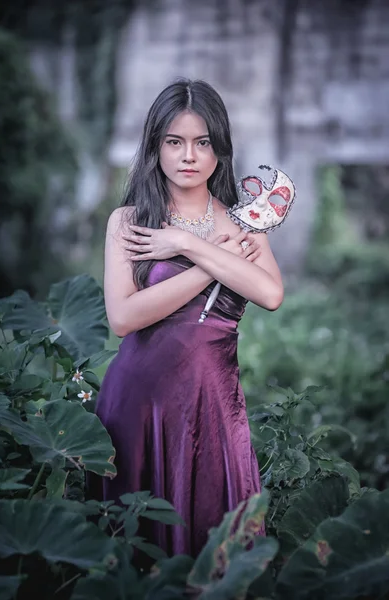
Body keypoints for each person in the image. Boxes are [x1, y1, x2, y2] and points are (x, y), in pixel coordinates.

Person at [87, 79, 284, 564]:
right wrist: (206, 264)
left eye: (202, 142)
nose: (188, 156)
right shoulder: (129, 220)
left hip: (213, 406)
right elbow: (123, 318)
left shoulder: (244, 226)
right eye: (174, 141)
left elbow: (271, 294)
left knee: (215, 551)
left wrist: (188, 244)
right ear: (156, 147)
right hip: (138, 404)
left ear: (220, 148)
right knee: (136, 556)